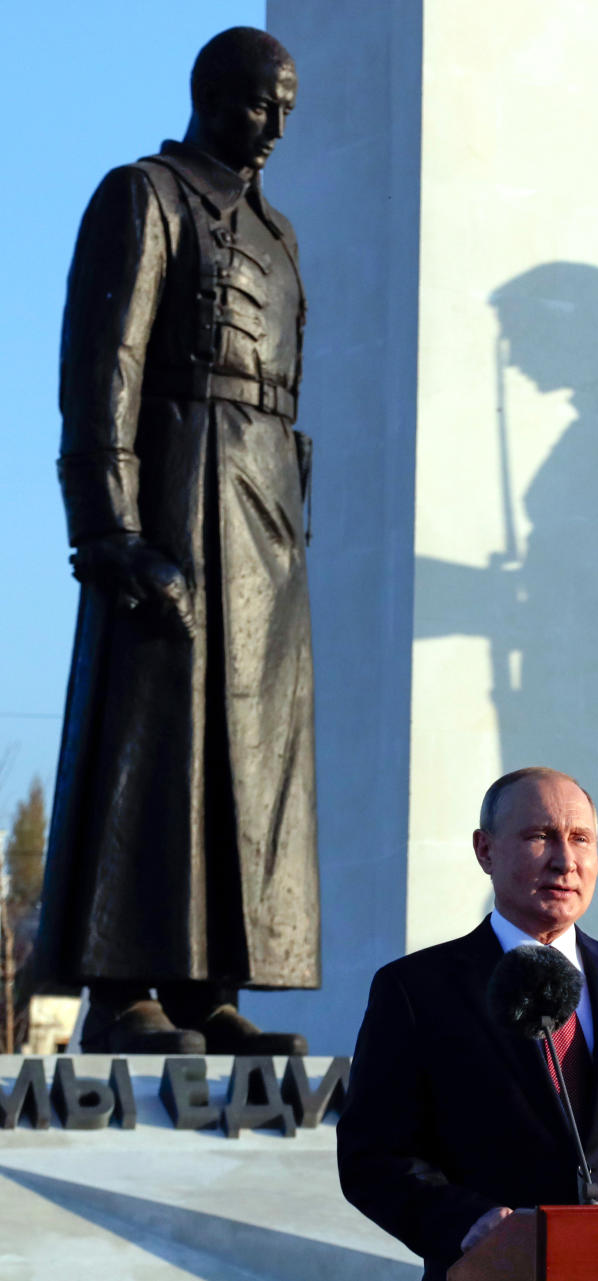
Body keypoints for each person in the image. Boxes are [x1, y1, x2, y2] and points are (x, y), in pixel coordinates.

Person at [35, 27, 320, 1054]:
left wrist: (296, 514)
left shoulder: (276, 232)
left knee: (251, 758)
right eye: (257, 104)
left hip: (265, 513)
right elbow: (101, 362)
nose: (274, 127)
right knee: (156, 746)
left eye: (286, 107)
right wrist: (108, 524)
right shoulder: (145, 195)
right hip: (177, 482)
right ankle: (124, 988)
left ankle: (209, 987)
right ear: (208, 95)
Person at [337, 767, 598, 1280]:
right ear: (485, 851)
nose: (564, 861)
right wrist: (471, 1223)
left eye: (580, 838)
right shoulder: (416, 990)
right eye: (539, 836)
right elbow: (374, 1156)